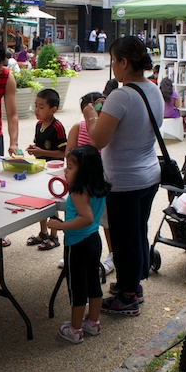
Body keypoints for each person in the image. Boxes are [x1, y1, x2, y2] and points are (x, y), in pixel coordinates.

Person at [82, 36, 163, 316]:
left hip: (125, 181)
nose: (113, 67)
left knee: (125, 239)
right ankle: (133, 285)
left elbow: (97, 139)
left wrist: (91, 113)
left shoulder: (122, 95)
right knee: (137, 233)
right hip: (149, 174)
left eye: (114, 61)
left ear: (125, 62)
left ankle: (128, 297)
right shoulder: (153, 89)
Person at [47, 144, 110, 343]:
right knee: (93, 282)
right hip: (93, 241)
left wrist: (61, 225)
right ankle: (92, 322)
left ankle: (74, 330)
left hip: (78, 244)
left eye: (70, 167)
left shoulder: (78, 191)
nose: (65, 170)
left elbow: (86, 218)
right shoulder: (97, 186)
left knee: (77, 287)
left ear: (83, 171)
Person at [64, 91, 115, 276]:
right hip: (83, 184)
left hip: (100, 182)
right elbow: (69, 153)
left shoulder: (109, 128)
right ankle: (76, 249)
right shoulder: (79, 127)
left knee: (105, 221)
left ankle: (112, 254)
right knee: (80, 215)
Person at [25, 89, 67, 251]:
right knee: (41, 201)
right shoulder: (38, 125)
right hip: (40, 169)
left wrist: (42, 152)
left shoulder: (57, 127)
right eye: (35, 106)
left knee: (52, 203)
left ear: (53, 110)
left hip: (54, 172)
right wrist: (34, 148)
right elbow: (38, 145)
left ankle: (54, 235)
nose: (36, 110)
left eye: (41, 107)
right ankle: (43, 232)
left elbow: (63, 152)